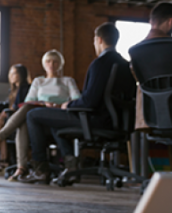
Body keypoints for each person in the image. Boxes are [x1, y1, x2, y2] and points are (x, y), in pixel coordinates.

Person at [20, 23, 135, 184]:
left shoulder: (100, 63)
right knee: (53, 119)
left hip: (95, 120)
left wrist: (69, 105)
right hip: (117, 121)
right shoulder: (125, 64)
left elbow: (90, 101)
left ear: (99, 40)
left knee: (32, 115)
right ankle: (71, 167)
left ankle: (41, 171)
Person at [0, 51, 80, 181]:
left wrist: (59, 104)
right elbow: (28, 102)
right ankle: (21, 167)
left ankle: (0, 140)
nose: (51, 64)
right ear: (44, 64)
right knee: (27, 113)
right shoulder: (38, 81)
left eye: (55, 62)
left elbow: (77, 100)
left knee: (27, 115)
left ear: (60, 64)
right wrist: (44, 104)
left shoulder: (67, 81)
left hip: (58, 117)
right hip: (38, 120)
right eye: (48, 61)